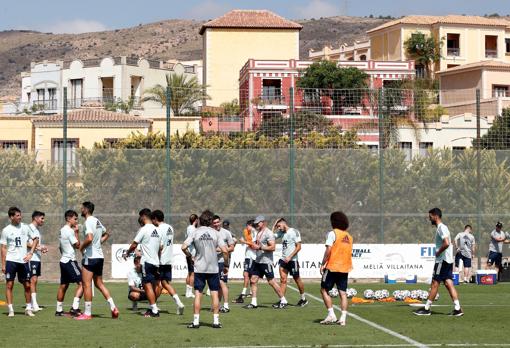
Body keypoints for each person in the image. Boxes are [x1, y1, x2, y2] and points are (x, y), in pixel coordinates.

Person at [182, 209, 229, 329]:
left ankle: (196, 322)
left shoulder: (195, 232)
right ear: (211, 221)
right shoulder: (216, 233)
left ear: (201, 220)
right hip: (213, 268)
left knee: (198, 294)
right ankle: (216, 322)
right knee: (214, 294)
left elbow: (183, 247)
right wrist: (226, 265)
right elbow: (225, 251)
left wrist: (190, 256)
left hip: (199, 268)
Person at [414, 208, 463, 316]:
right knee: (448, 283)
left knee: (435, 283)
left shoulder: (441, 228)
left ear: (435, 216)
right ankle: (458, 308)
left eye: (430, 216)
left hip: (442, 260)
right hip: (447, 260)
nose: (429, 218)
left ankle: (426, 309)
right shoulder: (442, 228)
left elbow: (446, 243)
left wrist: (438, 252)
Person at [75, 201, 119, 320]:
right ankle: (113, 307)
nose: (80, 209)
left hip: (91, 257)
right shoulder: (97, 221)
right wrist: (98, 243)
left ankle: (87, 313)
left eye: (82, 208)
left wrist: (82, 248)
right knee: (99, 284)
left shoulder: (88, 221)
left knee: (86, 284)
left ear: (86, 209)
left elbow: (89, 238)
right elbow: (107, 233)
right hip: (99, 257)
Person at [1, 207, 39, 317]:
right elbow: (3, 248)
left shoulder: (25, 227)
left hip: (23, 261)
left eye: (20, 215)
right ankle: (11, 310)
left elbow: (35, 239)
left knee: (27, 285)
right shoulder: (6, 230)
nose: (20, 217)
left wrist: (31, 253)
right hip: (11, 261)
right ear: (11, 217)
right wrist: (3, 264)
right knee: (9, 284)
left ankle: (28, 308)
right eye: (17, 215)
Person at [124, 209, 162, 317]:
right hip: (156, 262)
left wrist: (127, 252)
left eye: (140, 216)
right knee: (154, 285)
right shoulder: (157, 230)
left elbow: (134, 244)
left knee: (147, 285)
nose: (139, 219)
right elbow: (161, 248)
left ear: (144, 216)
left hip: (147, 262)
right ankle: (152, 308)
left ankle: (154, 310)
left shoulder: (144, 229)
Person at [244, 215, 287, 310]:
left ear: (262, 222)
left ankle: (283, 300)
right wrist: (250, 244)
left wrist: (260, 247)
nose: (256, 225)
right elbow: (257, 245)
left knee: (271, 282)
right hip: (258, 261)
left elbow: (273, 247)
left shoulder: (268, 233)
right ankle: (253, 303)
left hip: (266, 262)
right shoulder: (259, 232)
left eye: (257, 223)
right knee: (253, 280)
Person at [319, 211, 353, 325]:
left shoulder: (332, 233)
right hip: (345, 267)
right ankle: (343, 318)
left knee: (324, 289)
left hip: (333, 266)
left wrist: (322, 263)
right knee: (342, 293)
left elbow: (328, 250)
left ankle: (331, 315)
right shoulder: (349, 236)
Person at [151, 209, 185, 315]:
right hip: (169, 259)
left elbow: (160, 246)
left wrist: (155, 258)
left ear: (155, 219)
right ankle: (179, 303)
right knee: (165, 283)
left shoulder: (158, 229)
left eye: (152, 219)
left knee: (157, 284)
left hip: (160, 261)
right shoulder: (170, 227)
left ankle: (153, 307)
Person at [274, 218, 308, 307]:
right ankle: (282, 300)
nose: (278, 228)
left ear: (283, 223)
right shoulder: (281, 233)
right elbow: (270, 237)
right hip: (283, 260)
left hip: (292, 260)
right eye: (277, 227)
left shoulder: (294, 231)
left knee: (297, 279)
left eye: (279, 226)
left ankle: (303, 299)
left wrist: (290, 256)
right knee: (283, 280)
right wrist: (274, 226)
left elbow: (299, 247)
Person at [56, 209, 83, 317]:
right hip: (69, 261)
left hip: (63, 260)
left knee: (63, 285)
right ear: (68, 218)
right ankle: (74, 308)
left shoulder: (62, 230)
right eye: (75, 219)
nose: (76, 221)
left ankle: (59, 310)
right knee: (83, 283)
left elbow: (60, 247)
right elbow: (77, 245)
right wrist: (77, 232)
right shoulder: (69, 230)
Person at [212, 215, 235, 313]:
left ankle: (226, 306)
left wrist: (222, 249)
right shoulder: (210, 233)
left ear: (220, 222)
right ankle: (217, 305)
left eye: (218, 222)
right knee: (215, 285)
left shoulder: (226, 233)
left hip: (222, 262)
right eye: (214, 223)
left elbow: (232, 247)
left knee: (222, 283)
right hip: (212, 262)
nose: (216, 224)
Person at [27, 210, 47, 312]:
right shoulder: (28, 228)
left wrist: (42, 248)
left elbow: (36, 244)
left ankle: (33, 303)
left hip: (37, 258)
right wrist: (38, 248)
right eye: (42, 218)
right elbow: (26, 242)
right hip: (31, 258)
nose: (43, 220)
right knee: (33, 280)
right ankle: (33, 305)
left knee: (35, 280)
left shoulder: (37, 230)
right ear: (35, 218)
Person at [234, 219, 256, 303]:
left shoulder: (255, 232)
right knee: (248, 274)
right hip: (248, 255)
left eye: (248, 225)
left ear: (251, 225)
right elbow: (247, 243)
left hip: (252, 256)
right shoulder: (247, 231)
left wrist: (244, 241)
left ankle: (243, 294)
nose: (247, 227)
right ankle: (250, 292)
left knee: (246, 274)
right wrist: (244, 242)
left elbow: (254, 245)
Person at [185, 214, 198, 298]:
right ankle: (189, 292)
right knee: (193, 273)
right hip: (192, 253)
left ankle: (188, 291)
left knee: (190, 273)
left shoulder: (188, 228)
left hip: (189, 252)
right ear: (196, 220)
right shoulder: (192, 229)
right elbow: (192, 240)